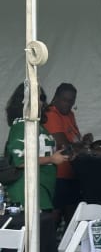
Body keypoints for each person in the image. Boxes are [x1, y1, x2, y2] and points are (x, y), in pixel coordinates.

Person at [4, 83, 70, 211]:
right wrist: (51, 159)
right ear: (23, 100)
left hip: (42, 189)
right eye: (36, 97)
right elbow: (20, 161)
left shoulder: (36, 125)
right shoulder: (21, 125)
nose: (41, 102)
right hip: (27, 191)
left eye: (42, 98)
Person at [43, 83, 93, 228]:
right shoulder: (51, 114)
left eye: (72, 101)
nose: (69, 104)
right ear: (56, 98)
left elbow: (73, 142)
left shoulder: (70, 114)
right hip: (57, 174)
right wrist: (81, 146)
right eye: (65, 100)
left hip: (72, 173)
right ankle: (48, 248)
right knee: (55, 216)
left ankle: (68, 249)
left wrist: (83, 142)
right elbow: (64, 145)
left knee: (72, 218)